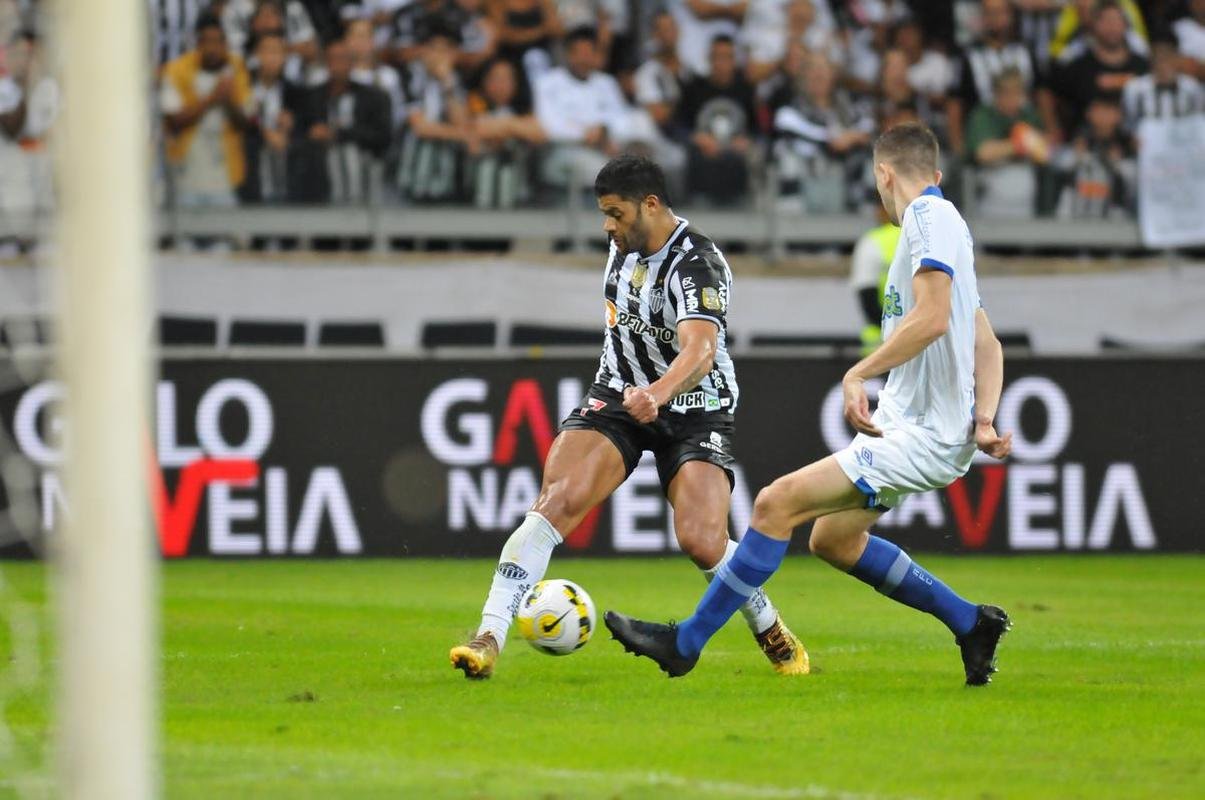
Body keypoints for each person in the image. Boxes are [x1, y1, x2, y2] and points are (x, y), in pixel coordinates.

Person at [605, 123, 1015, 687]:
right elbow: (984, 337)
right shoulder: (948, 230)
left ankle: (685, 643)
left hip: (922, 432)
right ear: (936, 173)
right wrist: (986, 419)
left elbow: (936, 319)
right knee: (833, 539)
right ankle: (971, 623)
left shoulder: (927, 218)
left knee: (775, 504)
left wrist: (859, 372)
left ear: (883, 174)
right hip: (917, 426)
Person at [449, 154, 808, 680]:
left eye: (616, 214)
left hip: (696, 408)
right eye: (604, 214)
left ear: (652, 205)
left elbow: (701, 350)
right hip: (618, 397)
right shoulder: (625, 246)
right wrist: (637, 394)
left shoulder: (698, 264)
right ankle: (489, 635)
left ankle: (768, 623)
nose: (607, 226)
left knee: (702, 540)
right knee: (554, 503)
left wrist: (659, 393)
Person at [160, 12, 252, 209]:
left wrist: (228, 101)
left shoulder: (236, 67)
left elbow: (246, 122)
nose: (212, 48)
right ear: (197, 44)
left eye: (217, 41)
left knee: (228, 238)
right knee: (183, 239)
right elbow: (172, 120)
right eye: (206, 42)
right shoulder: (177, 70)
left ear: (225, 43)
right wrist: (211, 99)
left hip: (225, 178)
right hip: (185, 176)